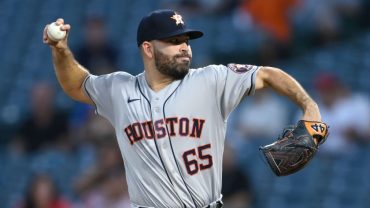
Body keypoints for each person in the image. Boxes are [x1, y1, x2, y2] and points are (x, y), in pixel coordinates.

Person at [43, 9, 324, 208]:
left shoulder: (210, 80)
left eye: (186, 41)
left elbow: (266, 75)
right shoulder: (119, 89)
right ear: (148, 49)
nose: (184, 48)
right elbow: (76, 86)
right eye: (174, 41)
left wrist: (309, 106)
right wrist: (61, 51)